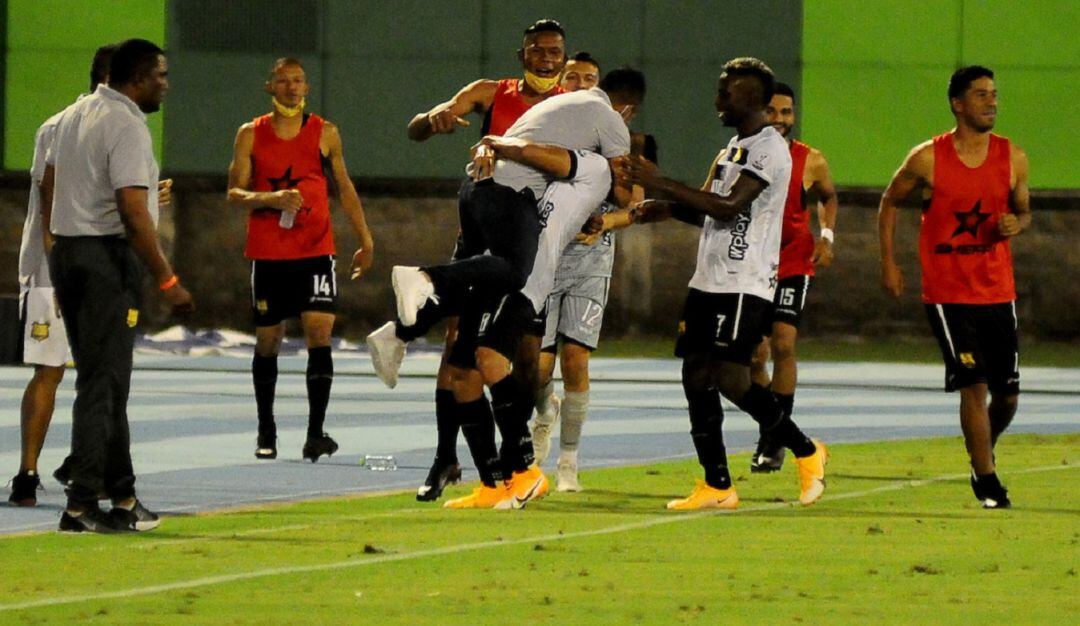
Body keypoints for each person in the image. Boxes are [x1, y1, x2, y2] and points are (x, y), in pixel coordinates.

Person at [378, 71, 640, 509]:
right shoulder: (568, 159)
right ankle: (492, 482)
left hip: (530, 282)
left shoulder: (591, 166)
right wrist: (493, 145)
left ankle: (526, 471)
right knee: (463, 372)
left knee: (491, 360)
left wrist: (497, 142)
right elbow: (547, 156)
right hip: (503, 259)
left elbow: (582, 171)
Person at [367, 19, 568, 501]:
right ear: (522, 56)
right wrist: (433, 117)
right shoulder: (490, 92)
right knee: (463, 353)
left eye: (554, 51)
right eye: (537, 50)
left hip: (536, 246)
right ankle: (474, 469)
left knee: (522, 363)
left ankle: (402, 330)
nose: (546, 58)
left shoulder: (571, 109)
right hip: (484, 237)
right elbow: (421, 126)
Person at [620, 57, 827, 510]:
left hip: (744, 281)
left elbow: (731, 206)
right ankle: (717, 485)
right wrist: (668, 206)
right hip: (708, 280)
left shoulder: (769, 149)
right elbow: (708, 208)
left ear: (751, 99)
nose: (717, 100)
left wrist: (662, 182)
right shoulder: (733, 147)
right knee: (694, 375)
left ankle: (806, 450)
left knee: (732, 379)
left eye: (725, 93)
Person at [43, 38, 193, 532]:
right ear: (137, 78)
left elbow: (55, 188)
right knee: (102, 384)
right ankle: (82, 502)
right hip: (106, 259)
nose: (167, 85)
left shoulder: (72, 116)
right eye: (161, 76)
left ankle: (123, 495)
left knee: (105, 381)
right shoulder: (126, 123)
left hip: (70, 253)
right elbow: (131, 212)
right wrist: (166, 278)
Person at [878, 65, 1029, 509]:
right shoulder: (928, 158)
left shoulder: (1013, 157)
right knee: (973, 386)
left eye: (995, 94)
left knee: (1008, 395)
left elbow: (1024, 212)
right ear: (957, 103)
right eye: (981, 95)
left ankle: (983, 446)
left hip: (998, 290)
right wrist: (889, 262)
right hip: (948, 293)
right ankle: (987, 481)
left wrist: (1013, 224)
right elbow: (889, 202)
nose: (992, 102)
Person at [227, 57, 375, 462]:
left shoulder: (324, 132)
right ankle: (266, 430)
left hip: (315, 251)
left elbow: (344, 188)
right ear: (269, 87)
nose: (292, 88)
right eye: (283, 81)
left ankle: (315, 432)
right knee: (268, 340)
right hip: (269, 253)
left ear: (306, 88)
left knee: (319, 334)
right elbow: (234, 192)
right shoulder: (250, 134)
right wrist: (271, 198)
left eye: (298, 81)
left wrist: (365, 238)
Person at [530, 57, 648, 493]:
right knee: (536, 369)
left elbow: (634, 208)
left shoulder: (627, 145)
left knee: (575, 359)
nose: (580, 85)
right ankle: (544, 411)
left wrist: (605, 223)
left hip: (590, 261)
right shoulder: (543, 132)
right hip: (545, 257)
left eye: (589, 80)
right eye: (572, 78)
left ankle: (569, 463)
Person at [7, 45, 114, 507]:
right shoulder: (59, 125)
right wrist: (59, 258)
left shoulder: (121, 127)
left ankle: (81, 464)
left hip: (96, 267)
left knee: (103, 375)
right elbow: (51, 194)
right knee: (50, 371)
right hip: (56, 272)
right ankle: (27, 472)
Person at [747, 82, 838, 472]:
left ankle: (773, 443)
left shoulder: (810, 159)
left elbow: (828, 196)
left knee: (783, 344)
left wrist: (827, 236)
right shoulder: (740, 154)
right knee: (754, 357)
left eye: (786, 112)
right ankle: (776, 426)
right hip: (751, 266)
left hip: (794, 263)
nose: (780, 120)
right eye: (772, 111)